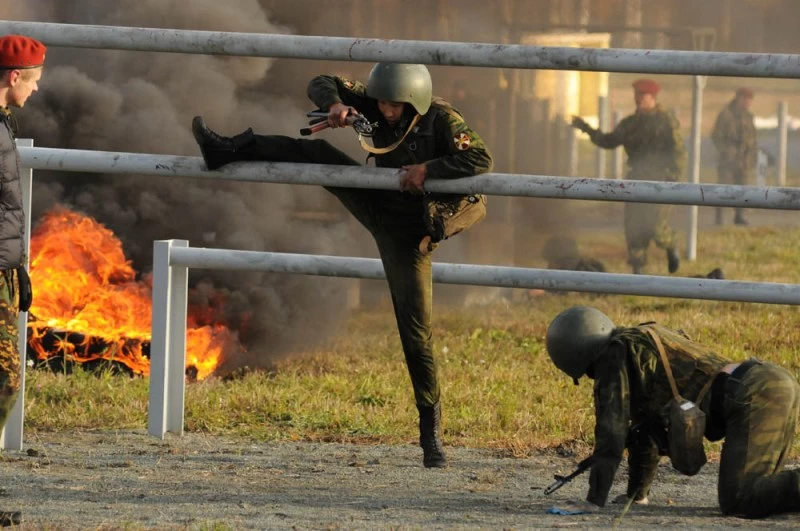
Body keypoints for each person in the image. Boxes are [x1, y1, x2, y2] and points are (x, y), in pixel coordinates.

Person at [191, 63, 493, 468]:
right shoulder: (371, 100)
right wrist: (335, 106)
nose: (386, 110)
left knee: (415, 334)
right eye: (382, 101)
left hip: (414, 229)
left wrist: (428, 169)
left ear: (415, 100)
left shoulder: (442, 119)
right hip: (377, 202)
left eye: (395, 105)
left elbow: (481, 157)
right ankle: (225, 149)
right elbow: (322, 81)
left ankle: (431, 437)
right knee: (315, 153)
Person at [545, 305, 800, 518]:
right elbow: (643, 430)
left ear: (575, 356)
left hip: (755, 392)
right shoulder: (639, 343)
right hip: (768, 381)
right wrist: (637, 494)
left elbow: (612, 431)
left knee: (741, 498)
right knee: (760, 488)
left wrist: (594, 500)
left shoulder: (613, 356)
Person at [571, 79, 686, 275]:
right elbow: (608, 141)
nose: (638, 99)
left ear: (653, 97)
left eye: (642, 95)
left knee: (655, 227)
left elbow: (678, 151)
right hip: (636, 180)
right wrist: (586, 128)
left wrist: (673, 178)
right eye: (636, 95)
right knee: (634, 228)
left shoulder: (666, 121)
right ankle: (637, 273)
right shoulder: (630, 124)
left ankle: (671, 245)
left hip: (661, 181)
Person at [0, 34, 45, 528]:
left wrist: (16, 267)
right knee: (5, 382)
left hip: (3, 271)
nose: (35, 90)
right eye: (33, 81)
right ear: (15, 76)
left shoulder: (3, 124)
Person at [711, 88, 757, 226]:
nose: (747, 102)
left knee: (742, 188)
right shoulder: (726, 115)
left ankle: (739, 216)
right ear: (738, 98)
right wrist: (725, 151)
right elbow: (716, 136)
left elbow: (753, 139)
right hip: (728, 160)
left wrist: (752, 157)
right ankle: (719, 217)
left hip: (744, 160)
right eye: (745, 99)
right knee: (723, 188)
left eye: (749, 99)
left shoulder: (749, 116)